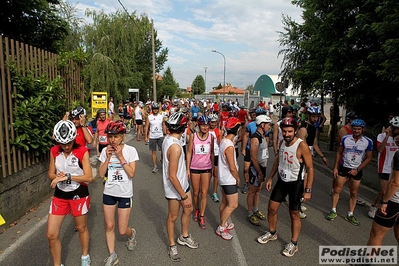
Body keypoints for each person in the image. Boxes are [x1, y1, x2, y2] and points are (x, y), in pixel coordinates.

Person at [257, 117, 314, 258]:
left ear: (295, 131)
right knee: (271, 208)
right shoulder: (282, 142)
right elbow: (278, 160)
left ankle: (294, 243)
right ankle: (272, 232)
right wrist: (270, 177)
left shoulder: (302, 146)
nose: (287, 134)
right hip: (282, 181)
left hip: (296, 183)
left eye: (290, 131)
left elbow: (310, 168)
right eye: (284, 131)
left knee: (294, 214)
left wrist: (308, 190)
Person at [47, 120, 93, 266]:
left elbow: (89, 177)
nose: (66, 146)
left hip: (79, 194)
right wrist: (57, 177)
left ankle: (85, 256)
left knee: (81, 228)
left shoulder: (82, 152)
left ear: (74, 139)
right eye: (63, 143)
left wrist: (68, 176)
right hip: (60, 195)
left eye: (69, 143)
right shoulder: (54, 151)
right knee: (51, 234)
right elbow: (50, 173)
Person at [98, 121, 139, 266]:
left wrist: (120, 157)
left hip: (125, 193)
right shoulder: (105, 151)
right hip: (109, 192)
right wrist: (108, 158)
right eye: (110, 137)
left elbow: (131, 173)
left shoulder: (130, 151)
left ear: (122, 136)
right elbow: (100, 174)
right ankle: (112, 255)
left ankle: (131, 233)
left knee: (122, 230)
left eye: (115, 136)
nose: (112, 140)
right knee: (109, 226)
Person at [162, 112, 199, 262]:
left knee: (188, 209)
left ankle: (184, 236)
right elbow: (172, 176)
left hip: (182, 183)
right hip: (174, 188)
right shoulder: (175, 147)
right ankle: (172, 245)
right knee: (173, 216)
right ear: (183, 127)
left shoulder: (168, 139)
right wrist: (183, 196)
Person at [326, 119, 373, 226]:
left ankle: (350, 214)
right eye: (355, 129)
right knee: (337, 189)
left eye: (359, 129)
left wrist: (358, 169)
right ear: (352, 129)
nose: (356, 131)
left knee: (353, 193)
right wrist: (335, 168)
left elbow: (369, 158)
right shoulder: (345, 139)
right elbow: (339, 152)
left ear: (363, 130)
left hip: (357, 170)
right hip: (344, 167)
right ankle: (333, 211)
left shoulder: (368, 141)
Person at [367, 135, 399, 246]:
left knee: (376, 233)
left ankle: (367, 261)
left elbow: (395, 182)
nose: (397, 137)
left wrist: (385, 201)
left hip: (394, 201)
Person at [297, 106, 329, 219]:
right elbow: (300, 145)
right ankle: (297, 207)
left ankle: (299, 202)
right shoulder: (304, 128)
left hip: (309, 155)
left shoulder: (313, 128)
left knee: (305, 181)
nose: (315, 119)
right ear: (309, 116)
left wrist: (322, 156)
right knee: (303, 182)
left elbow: (314, 144)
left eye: (317, 117)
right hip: (303, 157)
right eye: (313, 116)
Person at [186, 115, 214, 229]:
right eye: (203, 125)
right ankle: (197, 209)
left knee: (204, 193)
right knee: (196, 192)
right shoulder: (193, 136)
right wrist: (187, 168)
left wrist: (213, 167)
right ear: (199, 125)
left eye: (207, 125)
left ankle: (202, 215)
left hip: (206, 168)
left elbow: (212, 153)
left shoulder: (211, 137)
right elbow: (188, 153)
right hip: (195, 167)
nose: (205, 127)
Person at [215, 117, 241, 240]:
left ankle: (223, 222)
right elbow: (232, 167)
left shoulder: (224, 141)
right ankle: (221, 227)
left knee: (225, 202)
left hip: (223, 177)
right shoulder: (229, 146)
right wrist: (238, 178)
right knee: (233, 204)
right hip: (229, 179)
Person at [368, 116, 399, 218]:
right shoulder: (381, 136)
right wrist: (387, 136)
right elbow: (380, 149)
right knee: (385, 191)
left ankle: (388, 209)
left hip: (394, 168)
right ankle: (374, 206)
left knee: (390, 191)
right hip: (384, 167)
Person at [246, 115, 272, 226]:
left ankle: (256, 209)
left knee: (258, 190)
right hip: (256, 169)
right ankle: (250, 213)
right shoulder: (255, 138)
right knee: (252, 191)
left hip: (263, 167)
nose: (269, 127)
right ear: (262, 125)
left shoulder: (263, 135)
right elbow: (253, 157)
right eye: (268, 124)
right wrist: (259, 172)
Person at [241, 108, 265, 194]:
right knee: (246, 169)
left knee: (258, 168)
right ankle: (246, 183)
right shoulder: (250, 124)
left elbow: (267, 139)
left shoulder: (266, 125)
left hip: (259, 151)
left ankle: (257, 184)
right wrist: (243, 148)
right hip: (249, 149)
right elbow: (245, 136)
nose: (254, 116)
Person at [145, 103, 166, 173]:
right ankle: (155, 166)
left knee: (163, 150)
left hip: (160, 135)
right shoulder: (149, 117)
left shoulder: (161, 116)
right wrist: (146, 136)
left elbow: (163, 125)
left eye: (156, 109)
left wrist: (165, 133)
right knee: (153, 151)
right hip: (152, 136)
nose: (155, 110)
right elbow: (146, 127)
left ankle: (163, 161)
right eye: (154, 109)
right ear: (152, 109)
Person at [209, 113, 222, 202]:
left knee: (215, 174)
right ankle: (204, 190)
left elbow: (220, 143)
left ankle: (214, 192)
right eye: (211, 122)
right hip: (207, 155)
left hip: (216, 154)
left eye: (214, 123)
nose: (213, 124)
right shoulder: (205, 130)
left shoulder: (219, 131)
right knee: (208, 174)